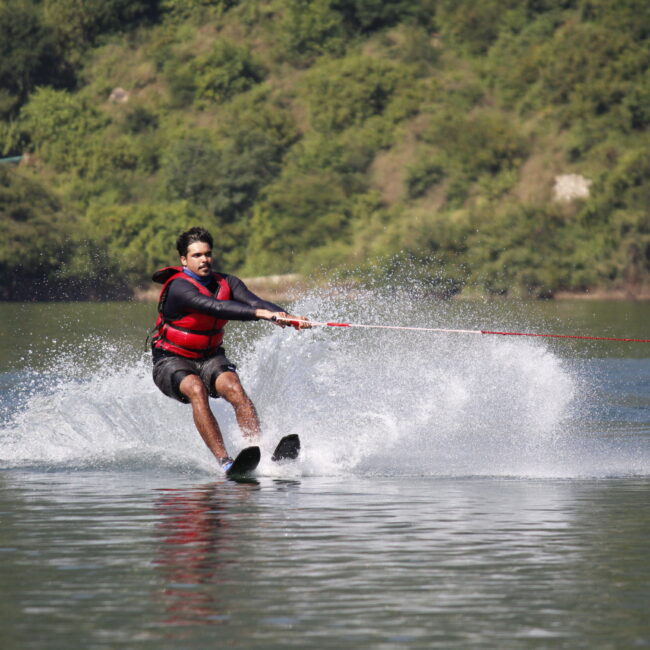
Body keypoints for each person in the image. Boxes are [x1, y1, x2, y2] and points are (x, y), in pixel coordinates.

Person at [150, 226, 309, 471]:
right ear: (183, 260)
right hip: (171, 359)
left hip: (209, 356)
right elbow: (215, 307)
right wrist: (261, 314)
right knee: (195, 388)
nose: (204, 260)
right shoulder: (179, 288)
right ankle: (225, 461)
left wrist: (287, 316)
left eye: (207, 254)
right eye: (197, 255)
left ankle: (259, 453)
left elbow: (255, 301)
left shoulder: (228, 282)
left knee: (233, 387)